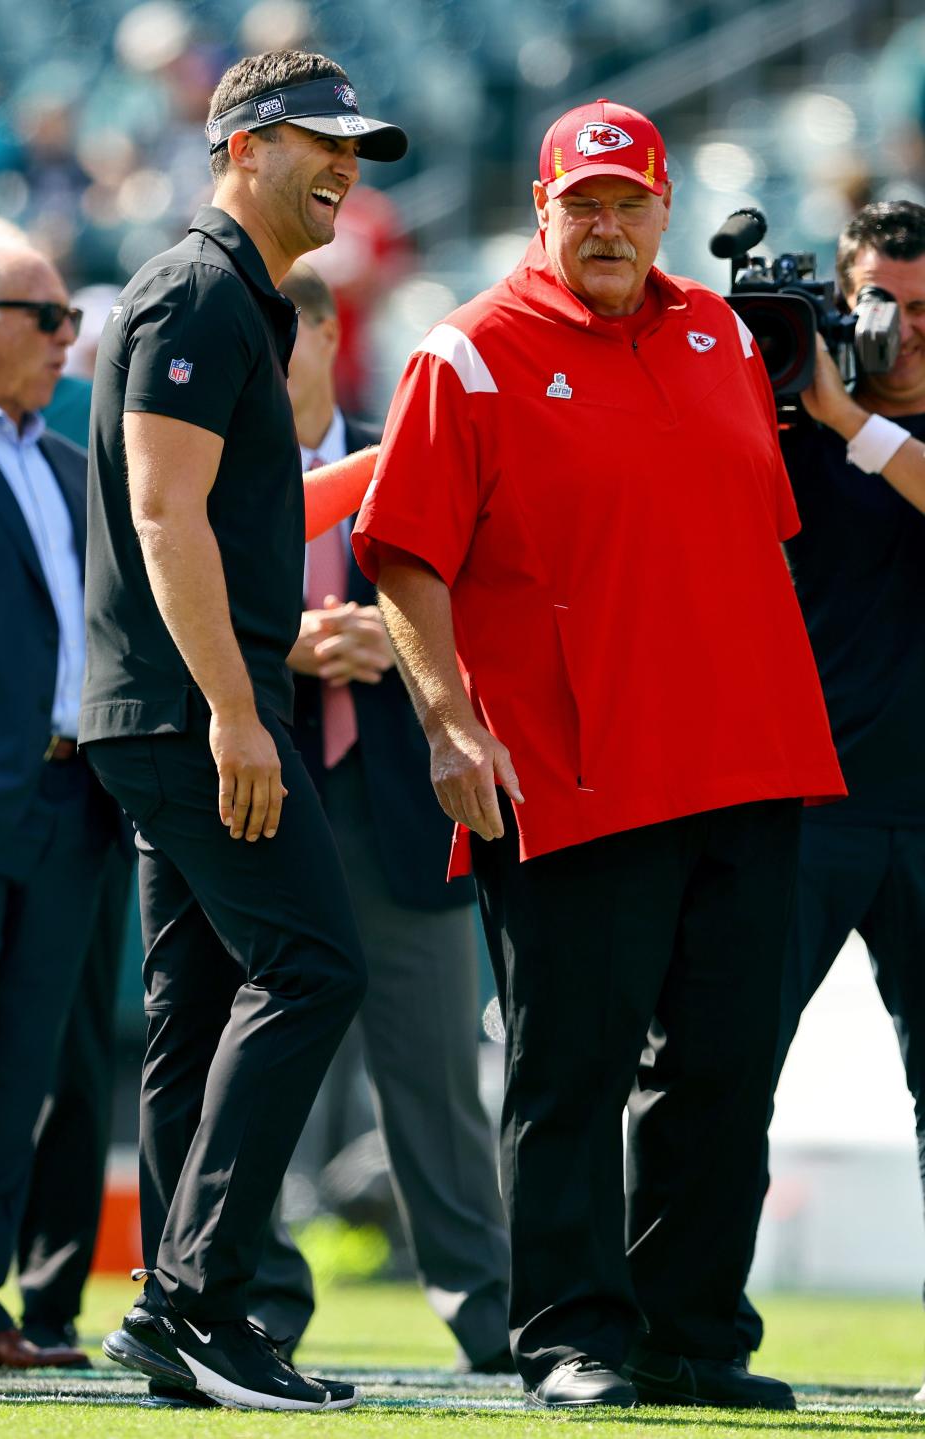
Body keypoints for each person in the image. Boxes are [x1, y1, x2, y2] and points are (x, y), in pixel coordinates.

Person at [353, 97, 846, 1411]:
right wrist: (452, 721)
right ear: (542, 209)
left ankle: (691, 1329)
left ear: (666, 206)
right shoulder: (467, 354)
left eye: (631, 203)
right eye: (585, 205)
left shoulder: (726, 336)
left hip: (749, 758)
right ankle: (572, 1331)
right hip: (569, 767)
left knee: (727, 1064)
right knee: (570, 1068)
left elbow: (756, 532)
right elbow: (404, 552)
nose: (609, 226)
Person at [82, 49, 407, 1413]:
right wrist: (236, 707)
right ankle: (199, 1296)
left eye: (356, 147)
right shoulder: (203, 288)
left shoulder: (236, 299)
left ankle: (191, 1307)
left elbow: (241, 511)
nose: (344, 166)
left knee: (204, 1001)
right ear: (240, 145)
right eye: (319, 141)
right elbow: (167, 517)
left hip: (183, 703)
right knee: (316, 965)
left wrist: (408, 455)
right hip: (189, 708)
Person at [244, 263, 511, 1374]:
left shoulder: (415, 455)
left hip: (405, 808)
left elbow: (485, 617)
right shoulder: (211, 475)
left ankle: (493, 1314)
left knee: (441, 1081)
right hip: (262, 811)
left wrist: (392, 658)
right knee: (246, 1078)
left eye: (278, 338)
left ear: (325, 333)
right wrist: (288, 646)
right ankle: (249, 1308)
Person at [733, 201, 925, 1395]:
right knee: (725, 1070)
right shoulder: (784, 418)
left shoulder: (836, 420)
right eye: (882, 302)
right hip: (802, 800)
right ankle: (692, 1330)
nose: (901, 329)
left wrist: (846, 416)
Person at [0, 226, 119, 1369]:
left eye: (71, 320)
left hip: (70, 810)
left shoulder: (69, 465)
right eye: (47, 318)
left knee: (19, 1067)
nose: (71, 340)